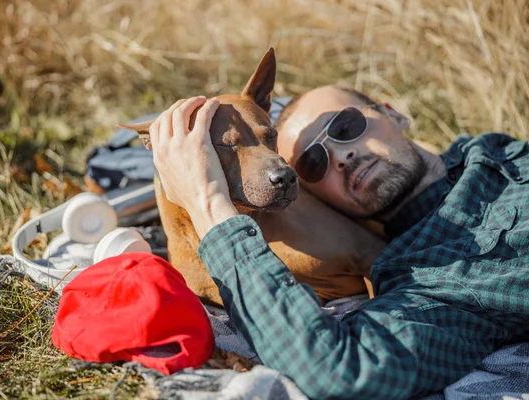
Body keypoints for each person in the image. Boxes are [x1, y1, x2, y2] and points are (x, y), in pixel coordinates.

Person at [146, 89, 529, 400]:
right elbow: (340, 370)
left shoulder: (496, 149)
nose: (341, 156)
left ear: (392, 112)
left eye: (346, 126)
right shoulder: (432, 280)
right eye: (314, 162)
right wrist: (208, 203)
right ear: (318, 199)